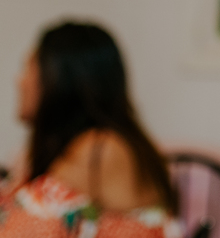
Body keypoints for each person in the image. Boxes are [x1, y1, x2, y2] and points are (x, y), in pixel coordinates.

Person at [2, 21, 178, 238]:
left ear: (59, 79)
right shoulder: (97, 146)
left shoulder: (101, 149)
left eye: (28, 67)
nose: (19, 81)